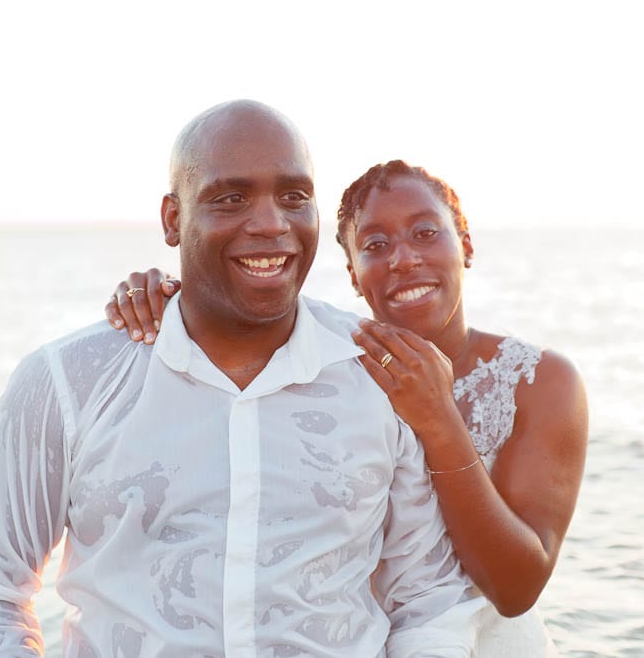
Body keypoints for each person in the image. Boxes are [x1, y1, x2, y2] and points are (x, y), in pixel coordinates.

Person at [0, 102, 486, 657]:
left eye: (295, 197)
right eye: (231, 198)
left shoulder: (379, 376)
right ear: (173, 219)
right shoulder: (67, 382)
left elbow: (426, 596)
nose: (272, 223)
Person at [106, 160, 589, 654]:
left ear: (464, 244)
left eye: (426, 233)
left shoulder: (538, 380)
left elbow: (516, 590)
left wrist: (439, 419)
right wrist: (166, 294)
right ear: (354, 276)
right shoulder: (330, 369)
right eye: (375, 246)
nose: (403, 259)